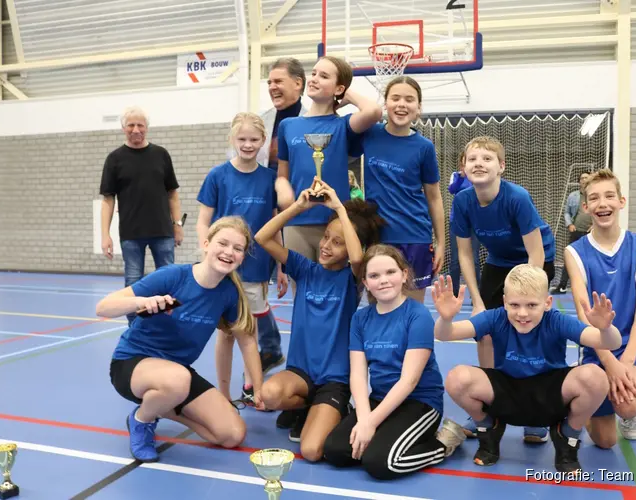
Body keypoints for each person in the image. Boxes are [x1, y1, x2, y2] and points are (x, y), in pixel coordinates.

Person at [97, 216, 261, 463]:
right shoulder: (173, 276)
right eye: (223, 243)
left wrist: (257, 389)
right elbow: (103, 307)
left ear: (242, 257)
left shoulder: (228, 293)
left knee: (232, 434)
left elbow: (247, 341)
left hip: (177, 376)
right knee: (178, 380)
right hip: (132, 364)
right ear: (206, 244)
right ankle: (143, 420)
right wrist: (142, 302)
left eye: (237, 249)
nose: (229, 252)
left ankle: (162, 406)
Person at [432, 266, 620, 473]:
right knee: (457, 378)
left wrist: (605, 328)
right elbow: (445, 334)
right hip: (507, 392)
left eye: (531, 305)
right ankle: (488, 427)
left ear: (547, 303)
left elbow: (610, 342)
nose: (522, 313)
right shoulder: (496, 317)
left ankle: (567, 434)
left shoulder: (556, 320)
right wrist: (446, 319)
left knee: (596, 377)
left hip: (550, 395)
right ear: (504, 302)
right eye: (514, 305)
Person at [255, 180, 385, 462]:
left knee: (312, 451)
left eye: (337, 242)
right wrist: (298, 207)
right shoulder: (305, 269)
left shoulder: (352, 279)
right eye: (326, 237)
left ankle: (336, 408)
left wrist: (339, 207)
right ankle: (303, 408)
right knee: (271, 394)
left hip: (334, 379)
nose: (326, 246)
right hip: (301, 372)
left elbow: (357, 258)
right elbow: (262, 238)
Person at [323, 245, 465, 479]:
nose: (384, 280)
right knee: (335, 451)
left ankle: (443, 444)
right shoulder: (360, 319)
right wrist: (363, 419)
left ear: (404, 275)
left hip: (419, 402)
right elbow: (358, 376)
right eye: (374, 276)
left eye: (390, 272)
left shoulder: (417, 315)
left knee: (380, 463)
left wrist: (370, 424)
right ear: (366, 283)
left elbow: (409, 381)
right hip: (380, 398)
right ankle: (387, 436)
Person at [450, 135, 557, 443]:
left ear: (501, 167)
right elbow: (466, 254)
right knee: (484, 329)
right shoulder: (462, 201)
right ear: (464, 168)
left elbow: (535, 252)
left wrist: (527, 294)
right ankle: (489, 403)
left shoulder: (517, 197)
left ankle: (536, 410)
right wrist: (477, 300)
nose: (479, 163)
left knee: (526, 326)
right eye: (472, 159)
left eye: (487, 158)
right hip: (498, 263)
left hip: (535, 260)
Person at [196, 112, 289, 407]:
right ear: (232, 140)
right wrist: (206, 254)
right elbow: (203, 221)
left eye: (253, 140)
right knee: (226, 334)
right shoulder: (218, 176)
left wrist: (282, 267)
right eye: (242, 139)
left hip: (258, 266)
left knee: (249, 331)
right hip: (224, 268)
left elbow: (276, 225)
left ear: (263, 142)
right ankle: (223, 395)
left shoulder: (270, 179)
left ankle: (251, 386)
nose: (248, 145)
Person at [564, 168, 636, 448]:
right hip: (596, 348)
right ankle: (584, 402)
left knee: (628, 406)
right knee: (605, 442)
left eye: (609, 196)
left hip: (631, 346)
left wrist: (624, 364)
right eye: (594, 198)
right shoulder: (575, 252)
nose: (602, 203)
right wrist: (608, 363)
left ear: (621, 201)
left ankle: (630, 414)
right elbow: (583, 316)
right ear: (586, 207)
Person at [275, 56, 381, 271]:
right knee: (302, 290)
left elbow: (374, 112)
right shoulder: (288, 125)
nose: (314, 79)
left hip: (334, 223)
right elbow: (282, 175)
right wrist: (282, 188)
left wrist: (347, 95)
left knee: (335, 290)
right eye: (313, 73)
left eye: (324, 76)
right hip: (297, 221)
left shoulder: (343, 125)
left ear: (338, 87)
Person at [358, 76, 446, 302]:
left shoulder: (424, 147)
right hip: (379, 238)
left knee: (411, 311)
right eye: (395, 98)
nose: (401, 104)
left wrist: (441, 242)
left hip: (415, 236)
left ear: (418, 108)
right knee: (378, 308)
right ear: (384, 104)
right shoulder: (369, 134)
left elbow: (434, 198)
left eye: (409, 99)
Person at [99, 106, 185, 324]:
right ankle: (135, 327)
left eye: (140, 125)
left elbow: (173, 194)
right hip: (131, 233)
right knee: (133, 282)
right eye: (131, 125)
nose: (135, 130)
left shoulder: (161, 155)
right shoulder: (114, 159)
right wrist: (105, 235)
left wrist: (177, 225)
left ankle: (167, 323)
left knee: (168, 280)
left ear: (147, 128)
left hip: (162, 231)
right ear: (123, 128)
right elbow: (108, 200)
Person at [259, 58, 309, 172]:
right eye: (269, 83)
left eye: (278, 81)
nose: (272, 87)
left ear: (298, 83)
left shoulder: (314, 123)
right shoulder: (260, 122)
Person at [447, 150, 480, 300]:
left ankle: (477, 295)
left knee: (474, 259)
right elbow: (452, 190)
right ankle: (453, 294)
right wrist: (460, 178)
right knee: (455, 260)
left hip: (475, 223)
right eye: (464, 161)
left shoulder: (478, 177)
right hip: (457, 222)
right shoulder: (455, 176)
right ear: (462, 163)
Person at [552, 171, 592, 294]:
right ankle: (562, 286)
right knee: (570, 258)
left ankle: (591, 288)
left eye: (586, 178)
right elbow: (567, 212)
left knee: (591, 260)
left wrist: (595, 225)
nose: (584, 180)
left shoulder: (594, 195)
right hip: (576, 232)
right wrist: (569, 224)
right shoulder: (573, 196)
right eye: (582, 178)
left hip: (591, 233)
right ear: (579, 181)